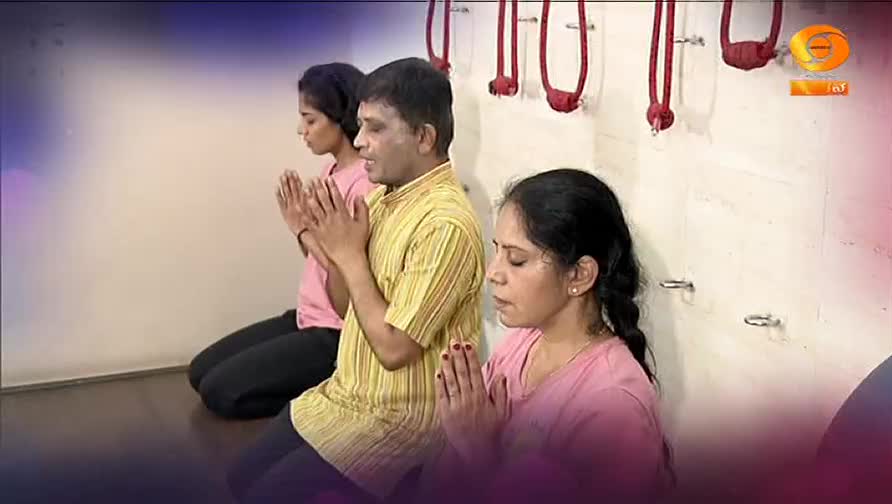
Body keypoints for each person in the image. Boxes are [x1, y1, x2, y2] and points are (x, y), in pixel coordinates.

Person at [227, 57, 486, 503]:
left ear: (424, 137)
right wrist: (331, 249)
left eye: (376, 129)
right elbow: (349, 309)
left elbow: (393, 349)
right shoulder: (384, 199)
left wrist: (346, 255)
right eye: (360, 126)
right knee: (241, 479)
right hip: (345, 395)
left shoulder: (445, 223)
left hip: (399, 421)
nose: (360, 142)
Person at [420, 168, 672, 504]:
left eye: (517, 260)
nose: (493, 273)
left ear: (580, 275)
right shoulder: (526, 341)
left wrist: (480, 450)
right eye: (497, 252)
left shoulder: (614, 406)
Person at [188, 62, 375, 419]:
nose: (301, 131)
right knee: (200, 372)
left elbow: (346, 272)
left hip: (336, 332)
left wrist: (303, 230)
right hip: (307, 316)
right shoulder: (331, 171)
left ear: (340, 117)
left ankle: (336, 393)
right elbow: (320, 255)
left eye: (310, 120)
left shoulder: (365, 184)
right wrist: (302, 229)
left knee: (221, 393)